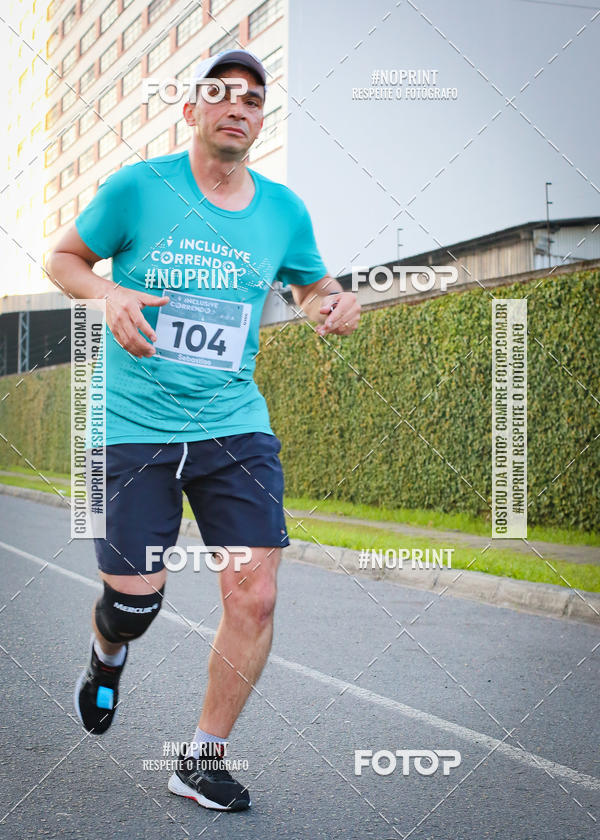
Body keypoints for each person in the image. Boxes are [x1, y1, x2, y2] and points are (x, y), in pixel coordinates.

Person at [47, 48, 360, 812]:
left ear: (259, 121)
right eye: (221, 95)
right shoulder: (139, 188)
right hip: (130, 425)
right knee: (134, 605)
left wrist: (336, 301)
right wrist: (109, 292)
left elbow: (313, 282)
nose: (239, 107)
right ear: (191, 111)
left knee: (253, 594)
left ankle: (202, 758)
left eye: (253, 100)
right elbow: (64, 259)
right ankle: (108, 650)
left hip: (233, 425)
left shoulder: (283, 210)